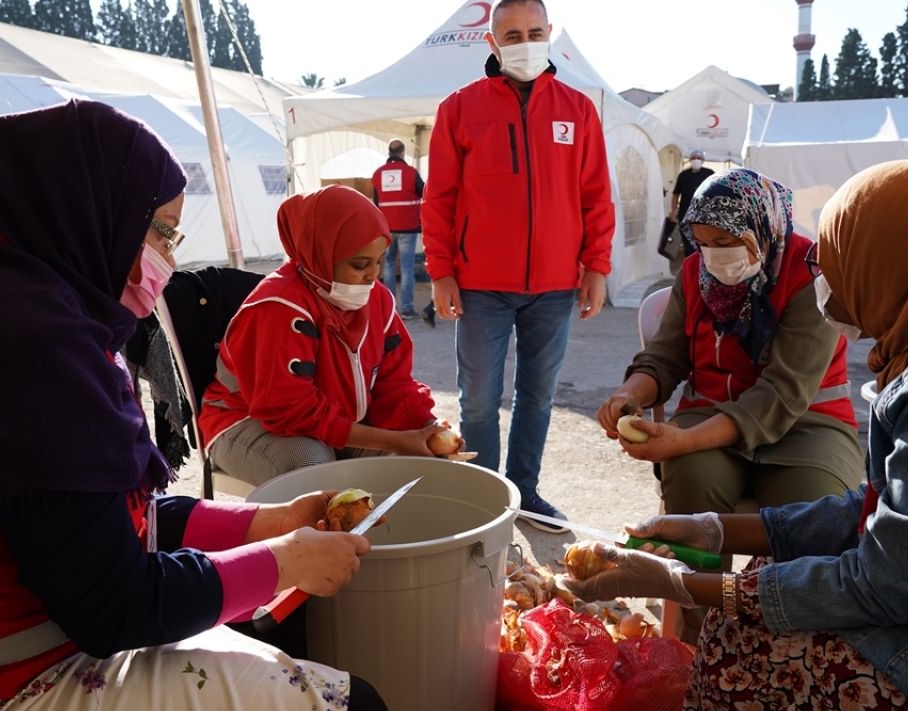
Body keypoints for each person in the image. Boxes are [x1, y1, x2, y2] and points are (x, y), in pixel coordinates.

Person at [0, 100, 390, 711]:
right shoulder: (29, 346)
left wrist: (270, 522)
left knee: (256, 628)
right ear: (93, 212)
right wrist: (287, 561)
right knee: (350, 706)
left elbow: (103, 518)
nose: (169, 258)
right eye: (160, 230)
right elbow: (116, 606)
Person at [565, 159, 908, 711]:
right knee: (727, 545)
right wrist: (709, 529)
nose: (830, 277)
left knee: (743, 641)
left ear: (895, 263)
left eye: (844, 258)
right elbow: (881, 509)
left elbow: (885, 580)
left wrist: (688, 586)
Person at [599, 167, 860, 642]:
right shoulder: (696, 272)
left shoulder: (813, 273)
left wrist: (683, 439)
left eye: (725, 240)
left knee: (811, 509)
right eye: (702, 241)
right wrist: (629, 394)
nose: (714, 254)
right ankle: (694, 643)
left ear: (762, 227)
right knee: (693, 481)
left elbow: (782, 393)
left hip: (807, 425)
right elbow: (665, 356)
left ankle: (789, 648)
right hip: (709, 413)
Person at [423, 0, 615, 532]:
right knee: (480, 402)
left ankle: (525, 491)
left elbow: (596, 196)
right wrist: (440, 270)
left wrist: (596, 266)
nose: (525, 42)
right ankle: (484, 499)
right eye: (511, 35)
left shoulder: (577, 109)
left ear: (550, 33)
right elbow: (438, 198)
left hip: (555, 287)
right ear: (491, 42)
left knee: (537, 398)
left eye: (534, 31)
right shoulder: (459, 109)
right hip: (481, 285)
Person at [200, 186, 446, 487]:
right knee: (314, 468)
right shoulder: (278, 307)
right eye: (359, 264)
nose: (373, 275)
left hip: (333, 421)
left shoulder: (378, 301)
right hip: (244, 421)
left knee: (414, 466)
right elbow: (286, 411)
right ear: (321, 253)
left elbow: (393, 383)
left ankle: (382, 535)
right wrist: (391, 440)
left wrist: (425, 425)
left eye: (380, 261)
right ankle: (315, 535)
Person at [371, 139, 424, 320]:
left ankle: (390, 309)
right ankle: (408, 309)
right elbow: (424, 192)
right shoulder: (411, 172)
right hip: (408, 226)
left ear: (389, 152)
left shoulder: (378, 174)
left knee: (388, 266)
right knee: (407, 268)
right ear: (402, 153)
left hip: (386, 227)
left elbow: (375, 203)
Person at [663, 149, 714, 274]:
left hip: (704, 216)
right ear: (690, 160)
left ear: (703, 160)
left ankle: (704, 270)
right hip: (685, 215)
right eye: (694, 157)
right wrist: (673, 212)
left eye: (699, 157)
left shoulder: (709, 174)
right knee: (688, 245)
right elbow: (675, 195)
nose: (696, 159)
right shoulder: (683, 175)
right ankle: (689, 271)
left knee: (703, 244)